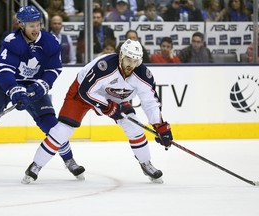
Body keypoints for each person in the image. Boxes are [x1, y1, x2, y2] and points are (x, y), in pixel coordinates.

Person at [22, 39, 173, 184]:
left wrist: (159, 126)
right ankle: (36, 165)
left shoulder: (142, 75)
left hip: (115, 97)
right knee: (62, 131)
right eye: (128, 60)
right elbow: (86, 91)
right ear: (121, 55)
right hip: (82, 92)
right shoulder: (105, 66)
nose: (131, 65)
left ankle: (146, 164)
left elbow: (150, 102)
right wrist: (107, 106)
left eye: (135, 61)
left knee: (134, 128)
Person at [0, 5, 85, 181]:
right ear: (21, 25)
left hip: (33, 84)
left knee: (51, 125)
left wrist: (42, 85)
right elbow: (4, 71)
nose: (36, 28)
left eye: (38, 24)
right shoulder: (11, 41)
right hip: (1, 84)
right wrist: (15, 90)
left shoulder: (50, 42)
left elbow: (54, 69)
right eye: (31, 25)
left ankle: (69, 160)